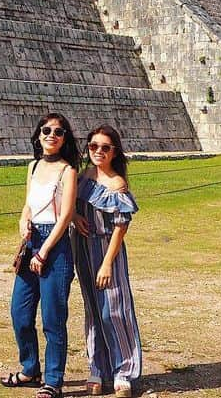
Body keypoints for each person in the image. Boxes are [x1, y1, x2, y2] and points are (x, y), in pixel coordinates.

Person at [0, 113, 80, 398]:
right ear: (38, 135)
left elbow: (67, 214)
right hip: (32, 239)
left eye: (58, 132)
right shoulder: (33, 166)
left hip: (54, 246)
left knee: (53, 318)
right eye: (46, 130)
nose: (51, 135)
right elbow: (28, 204)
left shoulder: (68, 170)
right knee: (20, 312)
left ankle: (53, 381)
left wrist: (44, 251)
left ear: (65, 138)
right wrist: (22, 222)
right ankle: (31, 368)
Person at [72, 125, 142, 397]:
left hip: (106, 251)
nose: (98, 152)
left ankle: (124, 370)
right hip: (83, 248)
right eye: (93, 146)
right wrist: (75, 218)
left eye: (105, 147)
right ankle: (97, 368)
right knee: (92, 308)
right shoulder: (84, 176)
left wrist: (107, 263)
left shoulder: (117, 184)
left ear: (114, 152)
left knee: (114, 309)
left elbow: (120, 226)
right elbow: (71, 205)